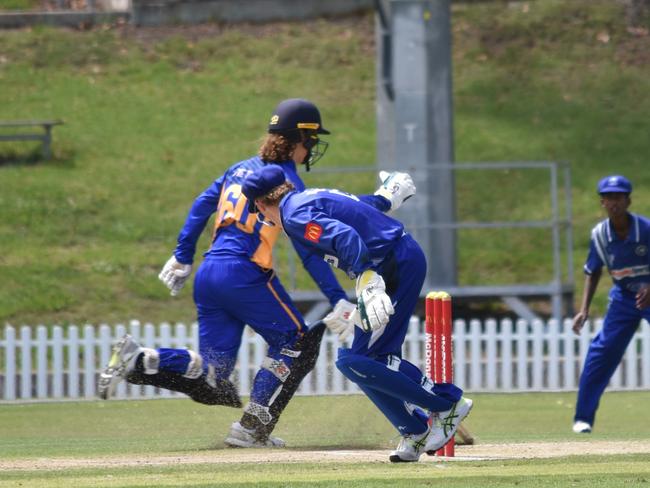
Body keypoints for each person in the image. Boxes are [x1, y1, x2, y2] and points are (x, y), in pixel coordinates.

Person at [97, 98, 414, 449]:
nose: (313, 148)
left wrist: (183, 255)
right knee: (297, 344)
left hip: (209, 273)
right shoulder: (287, 181)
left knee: (215, 378)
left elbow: (203, 202)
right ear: (300, 139)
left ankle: (140, 359)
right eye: (311, 140)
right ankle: (253, 425)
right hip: (244, 271)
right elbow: (311, 245)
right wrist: (338, 296)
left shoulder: (238, 169)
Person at [241, 164, 473, 462]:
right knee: (361, 362)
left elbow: (345, 235)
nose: (263, 219)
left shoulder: (294, 214)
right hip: (392, 262)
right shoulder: (305, 198)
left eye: (259, 212)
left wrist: (366, 278)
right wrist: (387, 198)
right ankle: (415, 430)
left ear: (261, 203)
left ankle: (446, 403)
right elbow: (361, 208)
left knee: (358, 360)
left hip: (394, 265)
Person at [572, 175, 650, 434]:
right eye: (609, 198)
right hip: (624, 297)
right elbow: (593, 271)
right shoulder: (600, 235)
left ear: (628, 200)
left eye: (619, 197)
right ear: (602, 202)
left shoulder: (645, 229)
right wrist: (584, 309)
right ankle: (583, 419)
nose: (614, 202)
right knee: (602, 352)